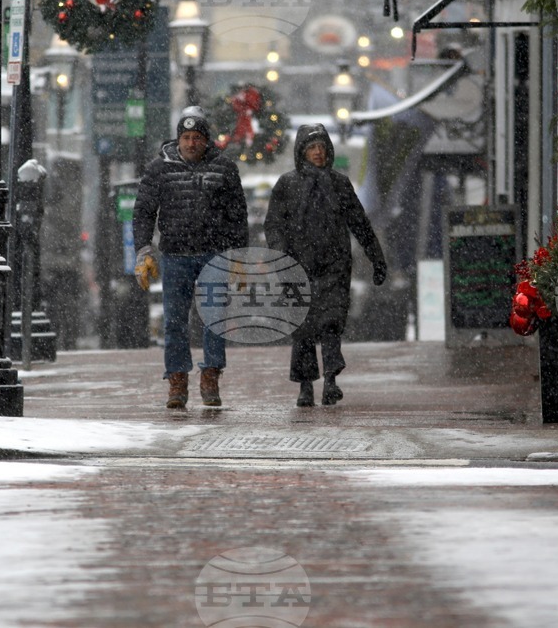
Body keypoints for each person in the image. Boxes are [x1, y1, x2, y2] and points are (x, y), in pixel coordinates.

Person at [132, 107, 248, 409]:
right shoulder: (159, 169)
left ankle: (211, 374)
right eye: (186, 137)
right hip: (175, 256)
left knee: (214, 320)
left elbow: (237, 216)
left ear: (206, 140)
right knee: (174, 322)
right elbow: (144, 210)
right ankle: (177, 379)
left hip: (215, 256)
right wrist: (144, 249)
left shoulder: (224, 168)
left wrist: (238, 256)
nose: (191, 143)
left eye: (197, 137)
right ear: (178, 139)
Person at [264, 123, 387, 407]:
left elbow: (360, 223)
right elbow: (274, 224)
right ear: (301, 153)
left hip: (334, 265)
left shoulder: (340, 184)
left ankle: (331, 381)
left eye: (321, 147)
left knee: (331, 323)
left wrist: (376, 258)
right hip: (297, 266)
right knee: (304, 328)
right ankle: (306, 387)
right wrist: (280, 255)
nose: (318, 153)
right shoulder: (287, 184)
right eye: (311, 148)